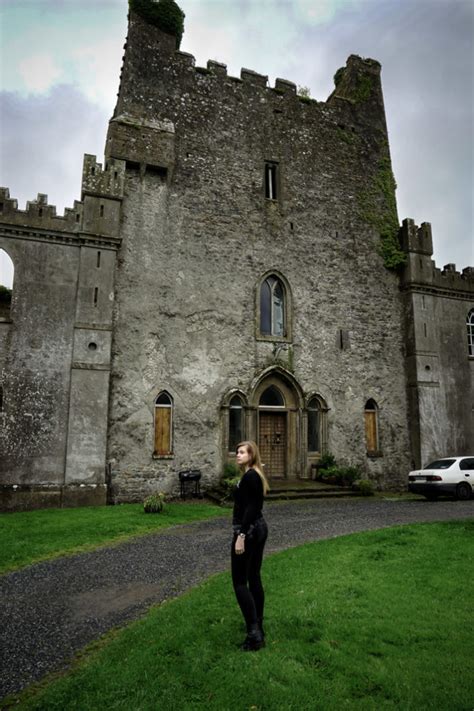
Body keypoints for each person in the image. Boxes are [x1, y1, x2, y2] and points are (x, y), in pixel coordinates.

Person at [231, 440, 269, 651]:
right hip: (257, 528)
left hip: (249, 530)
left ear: (252, 455)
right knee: (253, 576)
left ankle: (254, 634)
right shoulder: (252, 474)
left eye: (242, 452)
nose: (237, 454)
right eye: (237, 452)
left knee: (239, 581)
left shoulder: (252, 476)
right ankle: (259, 627)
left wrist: (241, 535)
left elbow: (253, 507)